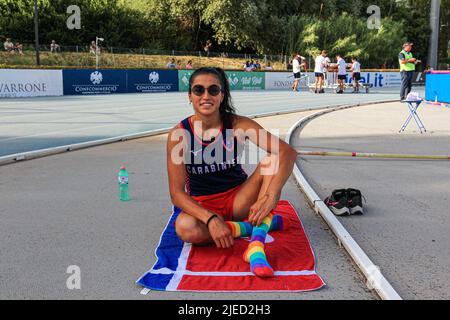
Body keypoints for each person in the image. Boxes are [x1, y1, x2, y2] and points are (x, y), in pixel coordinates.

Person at [167, 67, 297, 277]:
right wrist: (210, 220)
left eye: (213, 90)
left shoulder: (238, 124)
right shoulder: (179, 135)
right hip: (204, 204)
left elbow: (287, 152)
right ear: (190, 96)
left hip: (239, 199)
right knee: (185, 228)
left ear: (222, 95)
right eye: (199, 90)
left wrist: (272, 196)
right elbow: (177, 194)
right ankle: (248, 227)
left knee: (272, 159)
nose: (206, 96)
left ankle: (255, 246)